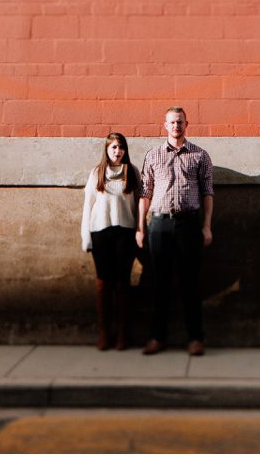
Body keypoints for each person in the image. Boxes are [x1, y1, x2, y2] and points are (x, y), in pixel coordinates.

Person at [137, 106, 214, 356]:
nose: (176, 126)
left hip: (189, 224)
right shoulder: (153, 155)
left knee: (190, 282)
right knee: (159, 282)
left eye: (180, 122)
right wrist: (140, 227)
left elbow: (208, 192)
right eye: (172, 122)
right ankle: (157, 337)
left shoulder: (200, 156)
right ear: (165, 125)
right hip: (159, 224)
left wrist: (206, 226)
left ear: (186, 124)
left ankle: (195, 338)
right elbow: (145, 193)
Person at [80, 132, 140, 351]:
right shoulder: (97, 173)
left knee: (122, 283)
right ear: (106, 150)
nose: (117, 151)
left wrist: (139, 231)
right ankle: (105, 332)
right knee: (103, 283)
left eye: (121, 147)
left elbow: (138, 206)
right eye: (114, 147)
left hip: (125, 232)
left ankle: (123, 333)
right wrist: (86, 237)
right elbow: (88, 205)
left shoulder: (132, 173)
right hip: (101, 232)